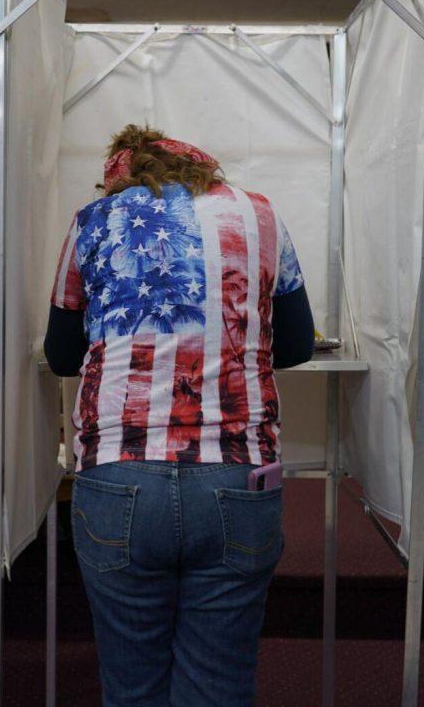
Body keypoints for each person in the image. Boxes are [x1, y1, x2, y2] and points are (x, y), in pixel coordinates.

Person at [44, 124, 315, 706]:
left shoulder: (95, 220)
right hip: (237, 477)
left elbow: (60, 355)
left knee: (131, 684)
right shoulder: (260, 214)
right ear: (203, 171)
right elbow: (297, 345)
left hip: (118, 477)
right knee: (219, 683)